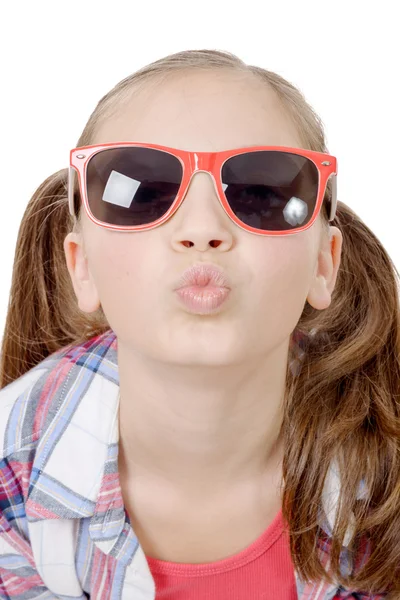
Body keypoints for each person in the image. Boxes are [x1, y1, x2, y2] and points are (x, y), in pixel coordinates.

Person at [0, 49, 398, 600]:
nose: (203, 229)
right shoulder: (11, 476)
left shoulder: (384, 486)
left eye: (260, 195)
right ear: (81, 267)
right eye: (144, 194)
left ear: (325, 263)